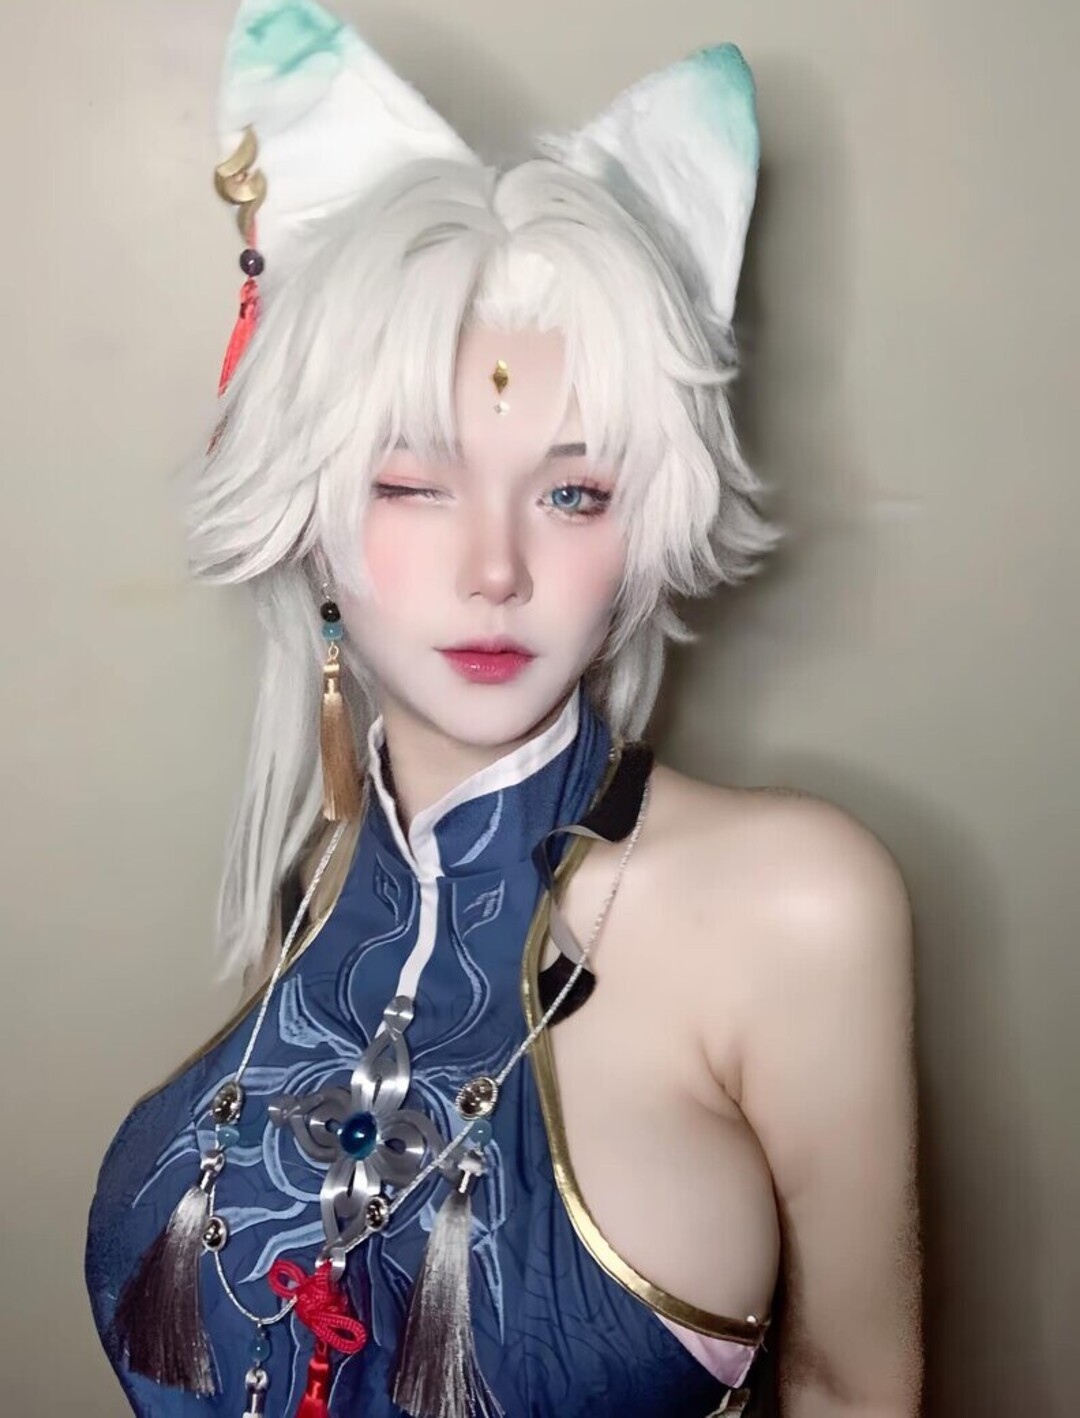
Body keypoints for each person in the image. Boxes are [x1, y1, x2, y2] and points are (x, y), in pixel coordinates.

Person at [85, 3, 921, 1414]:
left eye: (573, 491)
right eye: (415, 483)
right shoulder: (319, 873)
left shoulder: (800, 905)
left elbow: (859, 1382)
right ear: (307, 517)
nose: (495, 568)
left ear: (645, 524)